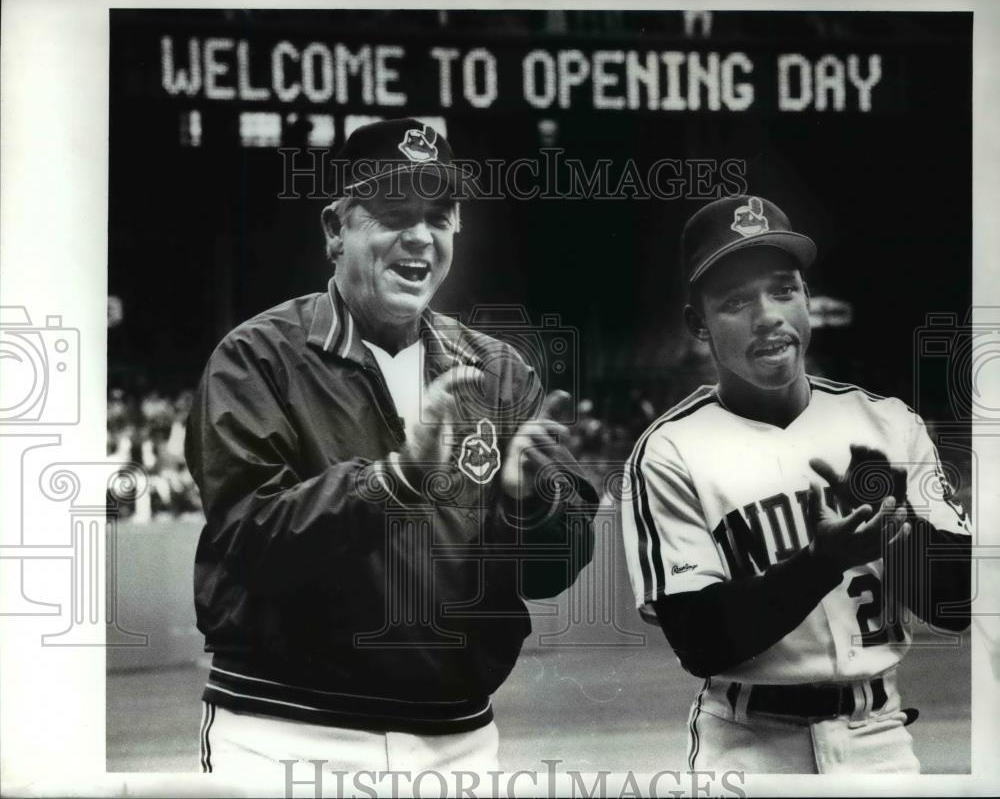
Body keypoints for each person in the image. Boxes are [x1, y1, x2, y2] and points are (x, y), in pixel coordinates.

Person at [186, 118, 598, 777]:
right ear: (334, 229)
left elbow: (557, 565)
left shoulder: (498, 371)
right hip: (287, 731)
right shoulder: (256, 357)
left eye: (439, 215)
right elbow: (251, 537)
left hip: (455, 739)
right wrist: (395, 479)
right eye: (392, 211)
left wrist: (529, 502)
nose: (419, 235)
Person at [620, 195, 971, 774]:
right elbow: (701, 642)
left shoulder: (887, 423)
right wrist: (824, 561)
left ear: (807, 298)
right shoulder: (669, 451)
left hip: (879, 740)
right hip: (747, 746)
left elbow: (956, 604)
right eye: (735, 300)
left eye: (784, 290)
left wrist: (896, 532)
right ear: (697, 324)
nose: (767, 317)